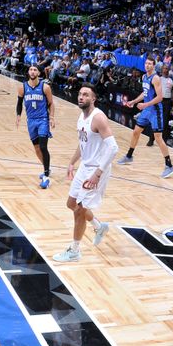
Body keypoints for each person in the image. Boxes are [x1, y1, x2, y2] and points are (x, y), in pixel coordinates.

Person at [54, 84, 118, 262]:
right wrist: (71, 162)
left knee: (80, 210)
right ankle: (99, 226)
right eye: (80, 94)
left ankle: (74, 250)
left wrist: (98, 173)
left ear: (93, 98)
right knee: (71, 203)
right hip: (85, 166)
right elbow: (83, 145)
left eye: (86, 95)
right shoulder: (81, 117)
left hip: (97, 169)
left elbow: (113, 148)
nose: (81, 97)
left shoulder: (98, 118)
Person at [116, 57, 173, 178]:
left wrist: (145, 105)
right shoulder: (144, 77)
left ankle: (169, 165)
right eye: (146, 63)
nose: (147, 65)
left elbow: (160, 97)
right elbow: (145, 93)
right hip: (147, 110)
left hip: (155, 111)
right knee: (136, 132)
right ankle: (129, 156)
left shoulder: (156, 78)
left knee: (158, 138)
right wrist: (134, 101)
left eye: (150, 64)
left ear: (154, 66)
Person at [16, 65, 55, 188]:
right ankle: (47, 168)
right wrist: (18, 115)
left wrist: (52, 118)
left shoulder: (45, 87)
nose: (32, 72)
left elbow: (51, 103)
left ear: (38, 72)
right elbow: (19, 103)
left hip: (43, 119)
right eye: (31, 70)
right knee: (37, 148)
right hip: (31, 121)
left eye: (35, 70)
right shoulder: (22, 87)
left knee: (43, 147)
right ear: (28, 72)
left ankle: (46, 176)